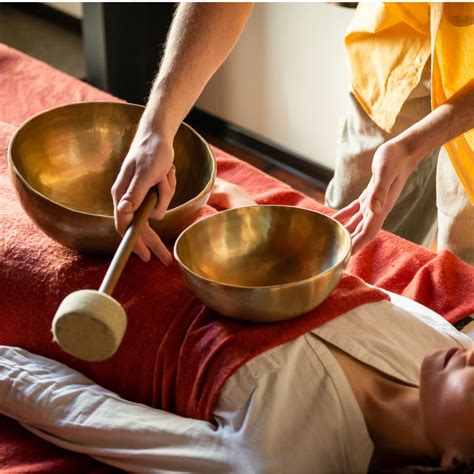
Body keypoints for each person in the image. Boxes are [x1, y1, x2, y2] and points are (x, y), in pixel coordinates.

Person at [111, 3, 474, 266]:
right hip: (397, 43)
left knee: (460, 272)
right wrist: (157, 126)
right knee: (346, 238)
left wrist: (415, 144)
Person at [0, 286, 473, 472]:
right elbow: (318, 271)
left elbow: (89, 417)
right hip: (175, 225)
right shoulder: (437, 340)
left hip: (103, 301)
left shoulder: (287, 461)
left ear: (456, 462)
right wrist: (234, 204)